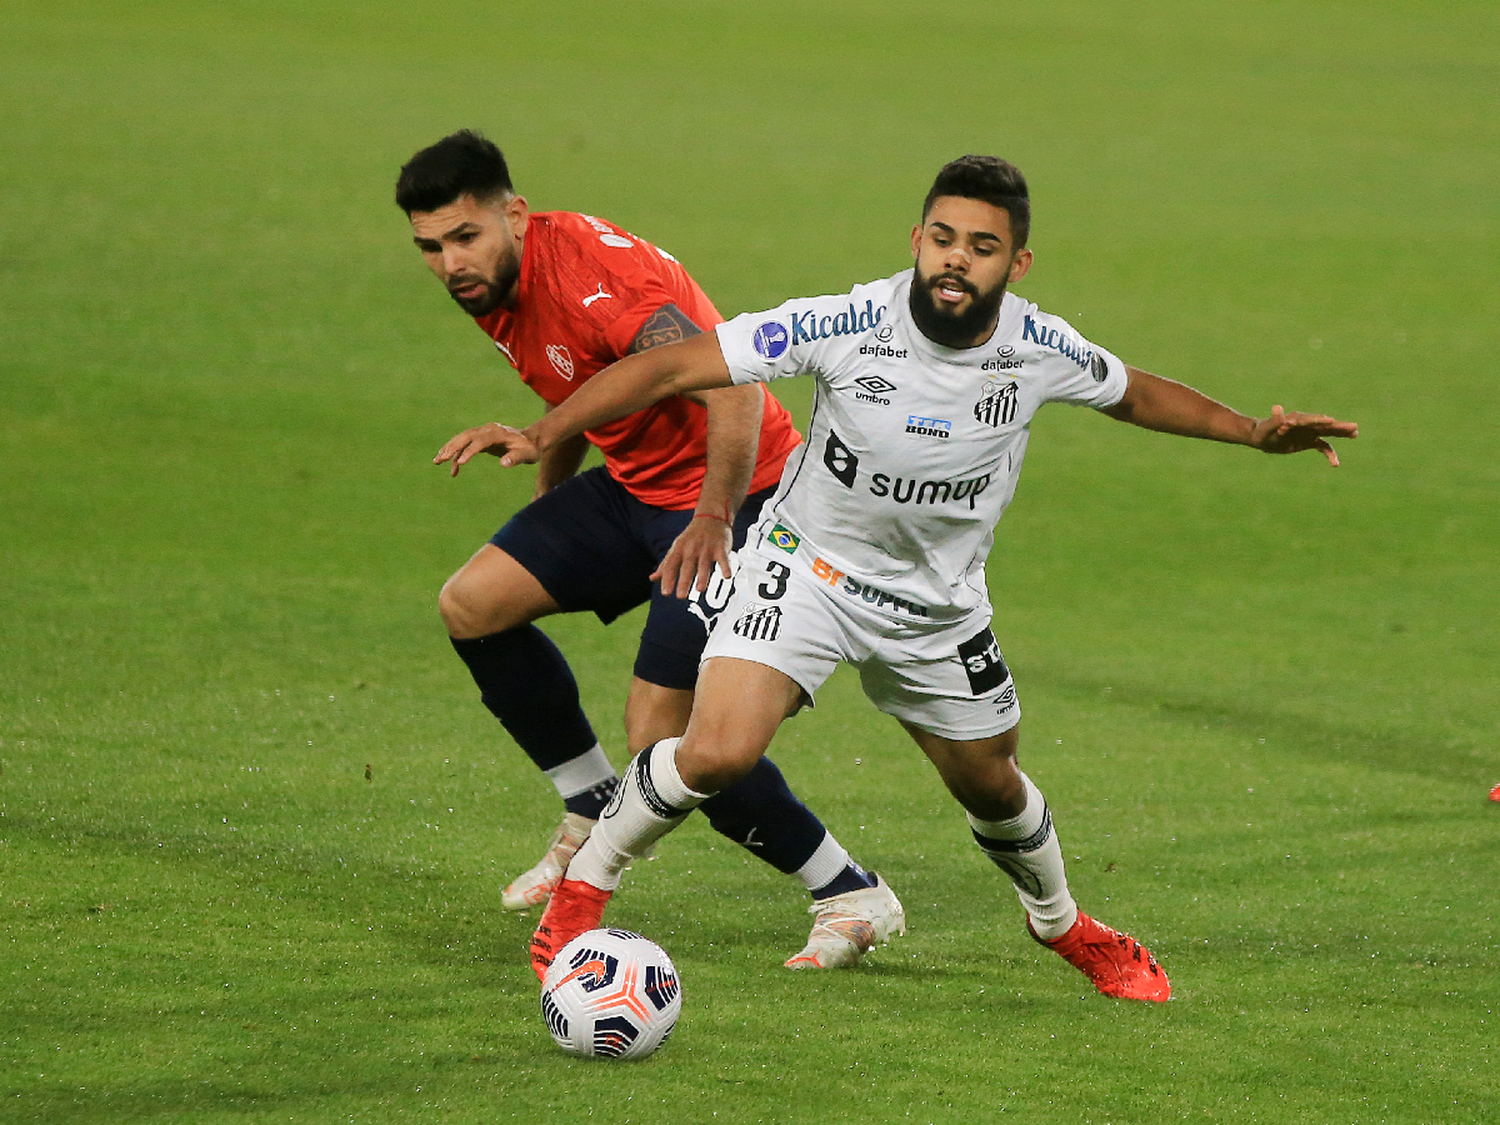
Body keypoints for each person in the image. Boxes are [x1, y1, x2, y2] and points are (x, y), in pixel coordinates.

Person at [459, 154, 1358, 1001]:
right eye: (942, 237)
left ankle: (1065, 925)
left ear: (1017, 259)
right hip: (803, 570)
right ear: (917, 239)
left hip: (934, 608)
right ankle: (584, 896)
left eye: (981, 245)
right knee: (716, 748)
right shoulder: (847, 323)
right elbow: (672, 364)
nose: (955, 260)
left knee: (992, 784)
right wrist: (545, 434)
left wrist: (1249, 432)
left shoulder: (1038, 344)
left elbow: (1135, 392)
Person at [396, 131, 904, 970]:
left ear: (514, 215)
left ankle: (850, 891)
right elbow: (574, 391)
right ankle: (592, 802)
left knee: (666, 736)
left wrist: (714, 518)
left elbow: (737, 387)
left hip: (745, 494)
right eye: (430, 247)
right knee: (475, 604)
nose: (450, 263)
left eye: (464, 237)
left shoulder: (600, 278)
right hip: (635, 487)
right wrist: (549, 515)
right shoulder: (497, 286)